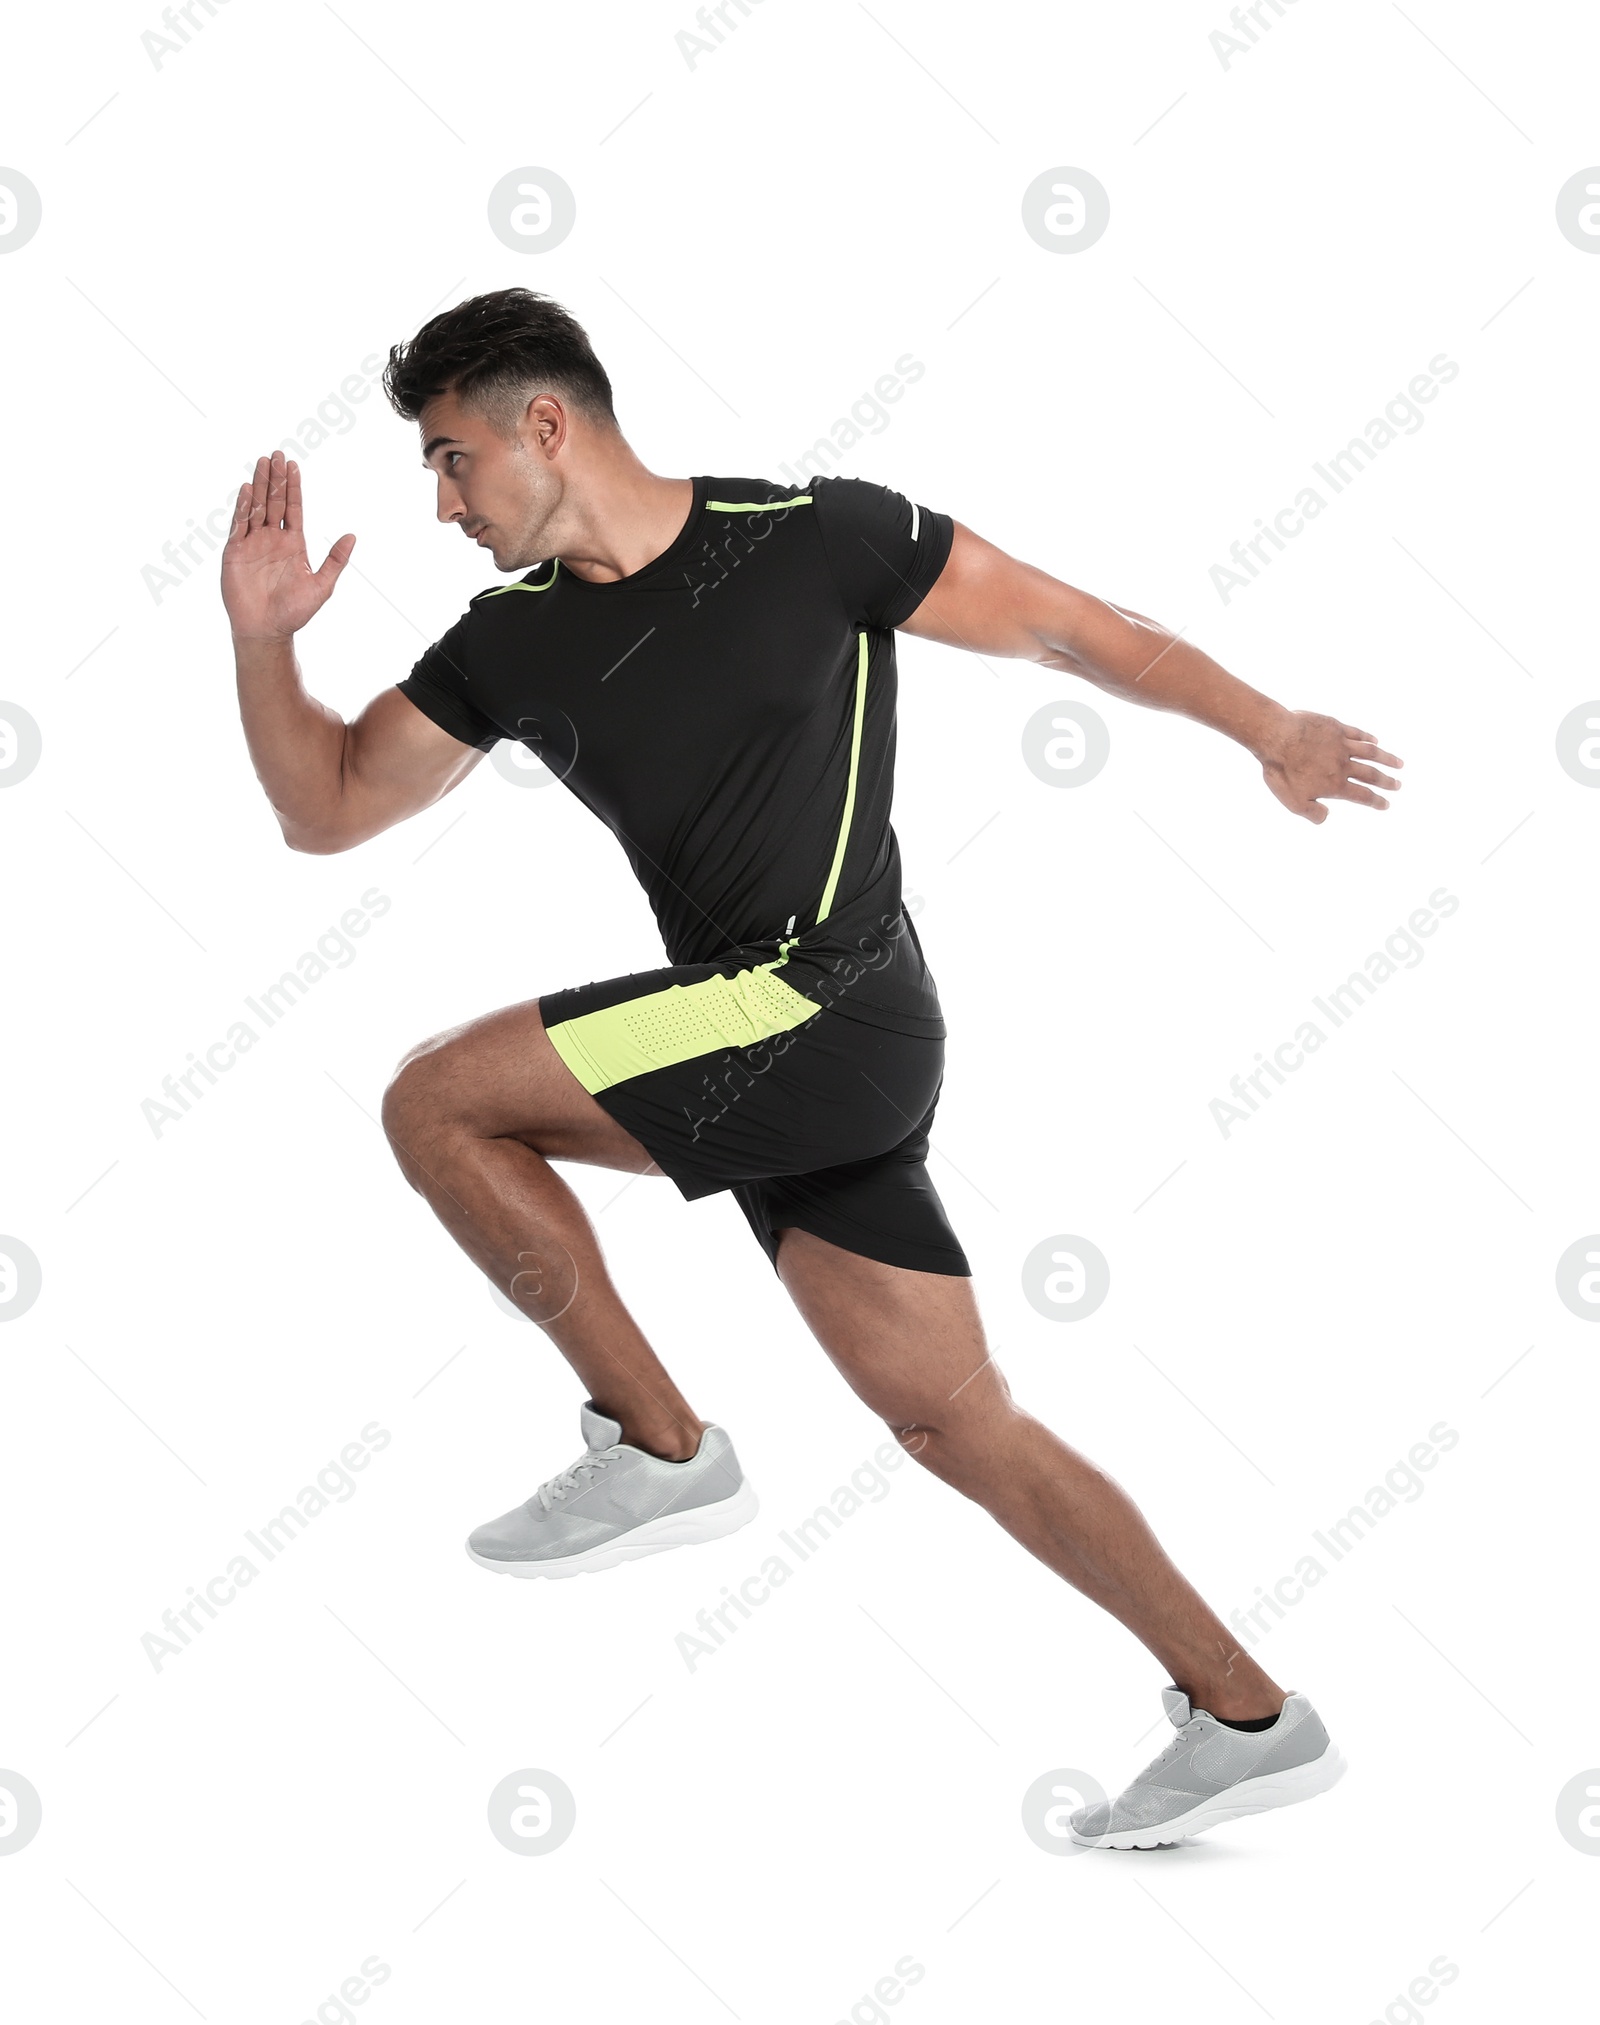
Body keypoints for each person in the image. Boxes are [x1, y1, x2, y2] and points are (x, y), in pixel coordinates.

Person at [222, 289, 1400, 1850]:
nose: (439, 503)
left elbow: (1067, 623)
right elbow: (330, 808)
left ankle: (659, 1447)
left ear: (546, 427)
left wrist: (1269, 726)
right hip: (758, 1048)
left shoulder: (814, 533)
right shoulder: (508, 643)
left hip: (828, 1000)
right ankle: (1249, 1713)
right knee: (960, 1425)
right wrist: (257, 648)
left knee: (435, 1096)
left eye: (449, 461)